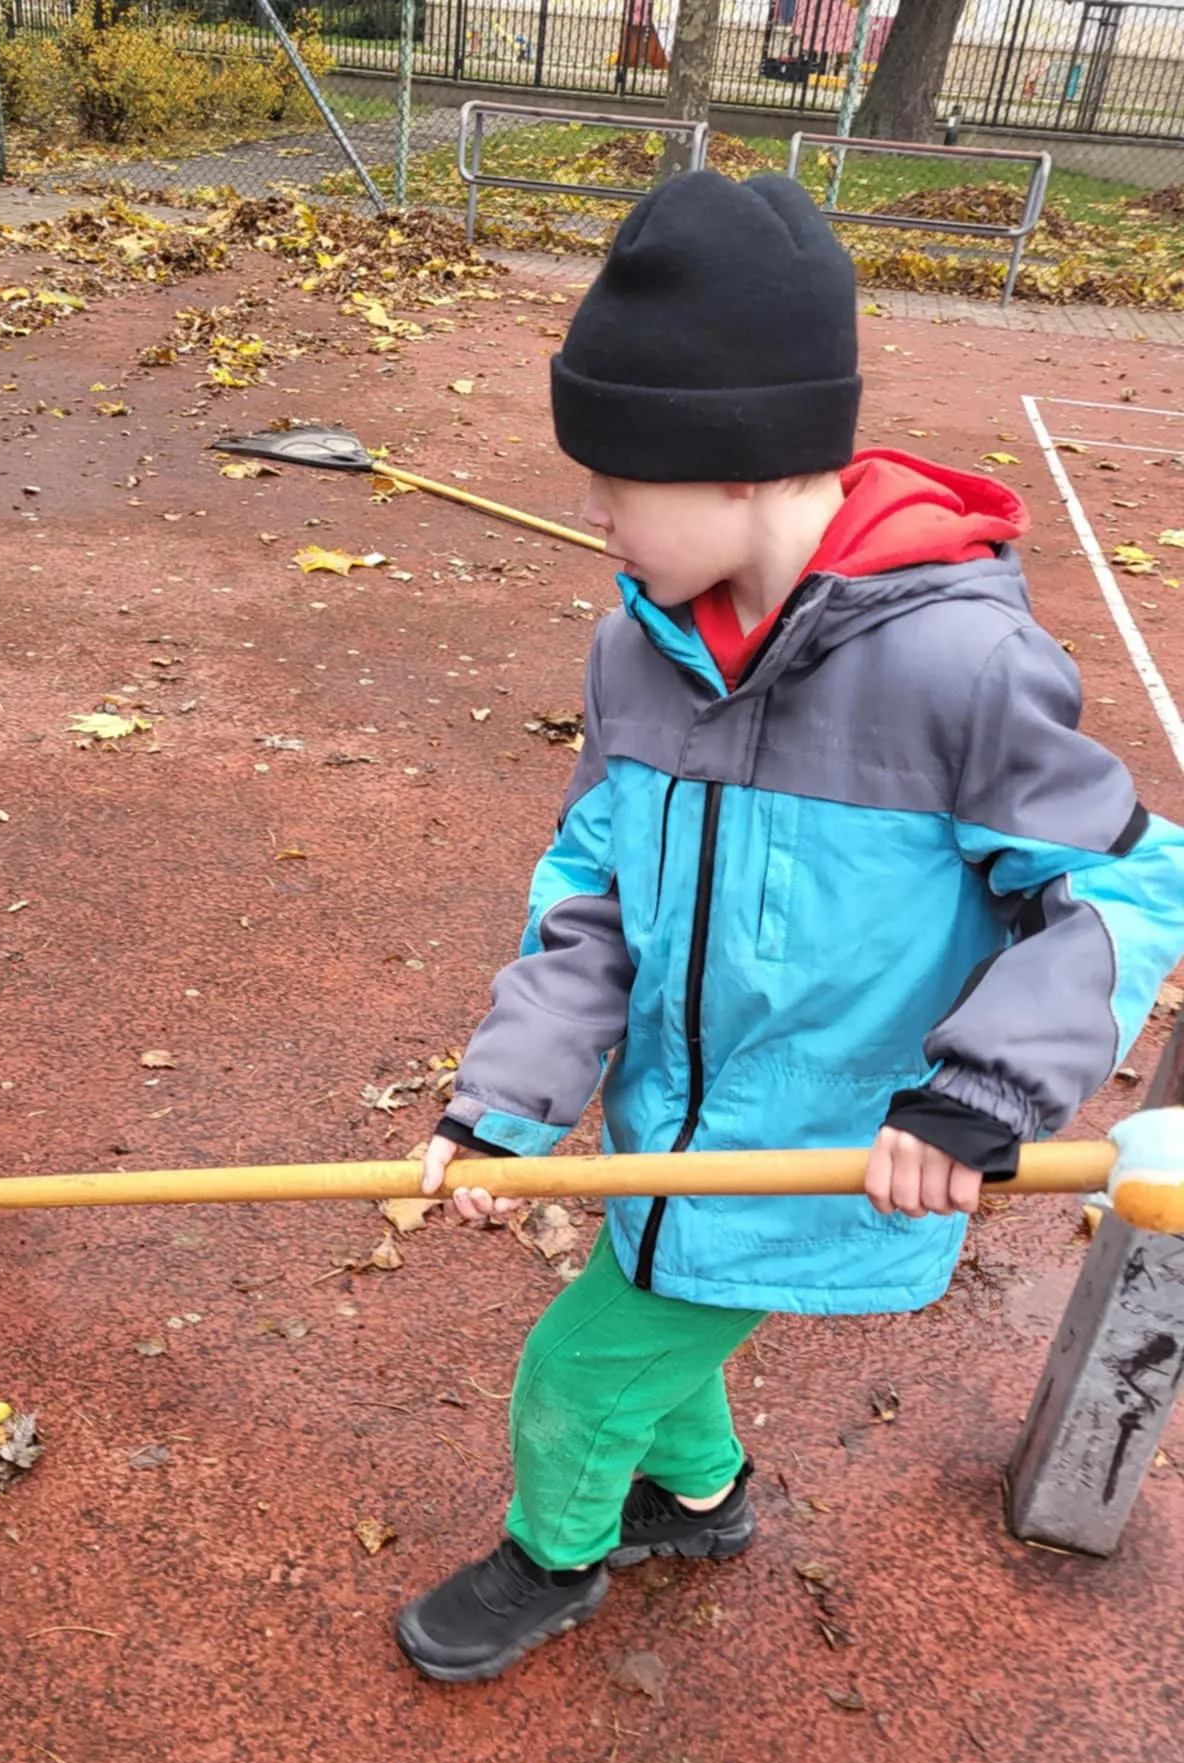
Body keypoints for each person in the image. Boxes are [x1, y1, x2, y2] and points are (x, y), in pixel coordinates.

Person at [394, 171, 1184, 1684]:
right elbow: (591, 896)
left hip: (816, 1155)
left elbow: (1123, 887)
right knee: (663, 1306)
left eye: (618, 479)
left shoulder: (958, 668)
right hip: (666, 1138)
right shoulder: (641, 650)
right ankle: (701, 1497)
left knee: (582, 1364)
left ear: (739, 464)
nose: (598, 515)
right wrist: (509, 1102)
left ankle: (553, 1562)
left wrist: (980, 1097)